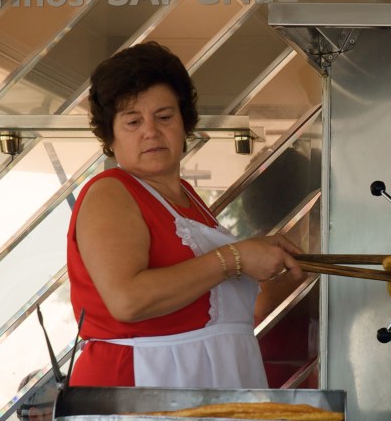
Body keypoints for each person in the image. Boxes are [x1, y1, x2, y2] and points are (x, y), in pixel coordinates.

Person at [67, 41, 303, 388]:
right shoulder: (111, 192)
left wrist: (257, 251)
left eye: (164, 117)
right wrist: (235, 257)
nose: (151, 131)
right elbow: (127, 300)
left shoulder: (185, 197)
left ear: (184, 123)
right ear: (111, 135)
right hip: (142, 391)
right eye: (133, 121)